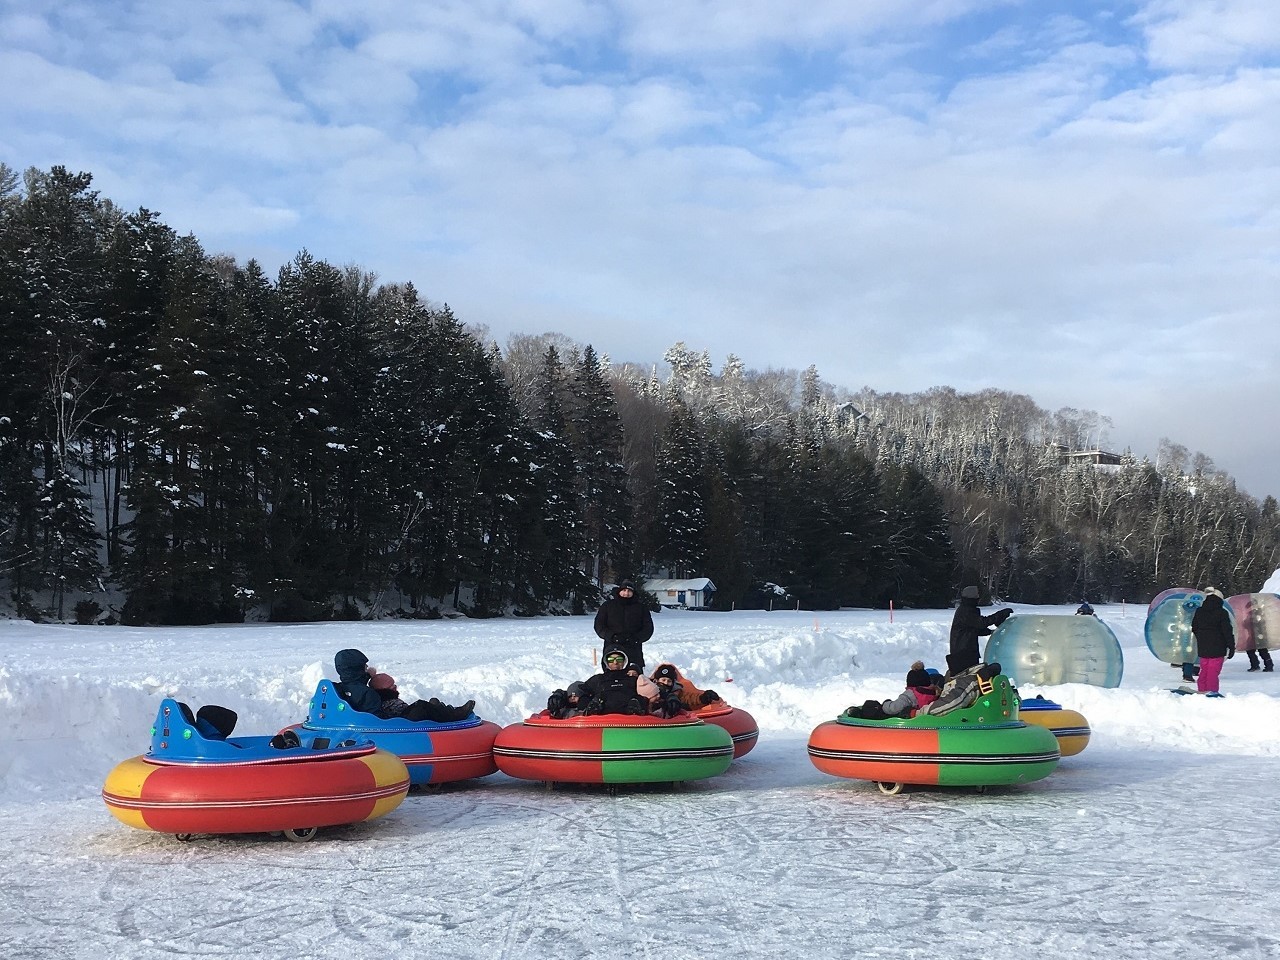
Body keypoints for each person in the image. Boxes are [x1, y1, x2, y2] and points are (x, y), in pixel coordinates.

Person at [947, 586, 1013, 675]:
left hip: (966, 651)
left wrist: (989, 632)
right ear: (972, 597)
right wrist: (1000, 615)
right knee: (968, 676)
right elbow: (981, 623)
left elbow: (973, 629)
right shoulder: (966, 611)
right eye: (977, 595)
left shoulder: (967, 609)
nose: (979, 597)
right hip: (963, 653)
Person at [843, 661, 940, 719]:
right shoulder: (934, 693)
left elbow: (893, 708)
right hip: (919, 717)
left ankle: (859, 716)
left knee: (871, 705)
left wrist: (886, 704)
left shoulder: (910, 694)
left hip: (904, 718)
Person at [594, 580, 655, 670]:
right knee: (612, 673)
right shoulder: (608, 605)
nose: (626, 593)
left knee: (634, 674)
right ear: (619, 591)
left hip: (633, 647)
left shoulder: (641, 608)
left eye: (629, 591)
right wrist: (611, 636)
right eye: (624, 590)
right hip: (612, 645)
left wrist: (637, 638)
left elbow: (648, 628)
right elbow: (599, 625)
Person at [369, 673, 476, 723]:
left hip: (402, 716)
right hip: (401, 722)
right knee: (421, 706)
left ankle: (439, 708)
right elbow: (395, 714)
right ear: (384, 690)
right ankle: (455, 714)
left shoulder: (384, 698)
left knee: (427, 706)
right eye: (393, 687)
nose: (396, 688)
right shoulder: (384, 702)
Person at [1191, 587, 1235, 695]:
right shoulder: (1222, 612)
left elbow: (1194, 627)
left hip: (1203, 646)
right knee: (1213, 672)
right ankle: (1212, 693)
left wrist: (1201, 637)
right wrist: (1231, 646)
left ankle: (1201, 691)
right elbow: (1227, 631)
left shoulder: (1199, 611)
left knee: (1204, 671)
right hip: (1218, 646)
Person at [650, 662, 723, 711]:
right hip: (653, 720)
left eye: (669, 681)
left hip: (673, 722)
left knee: (683, 706)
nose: (666, 683)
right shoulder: (649, 690)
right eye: (663, 680)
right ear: (656, 681)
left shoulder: (677, 692)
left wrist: (704, 697)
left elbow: (690, 698)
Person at [333, 648, 381, 714]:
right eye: (364, 665)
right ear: (358, 667)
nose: (367, 666)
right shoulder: (368, 694)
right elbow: (375, 720)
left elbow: (354, 684)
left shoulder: (335, 690)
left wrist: (367, 675)